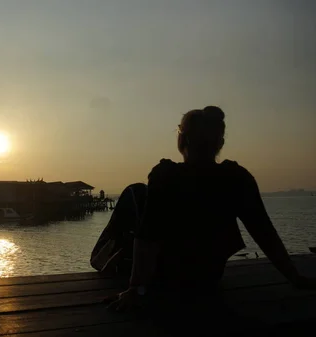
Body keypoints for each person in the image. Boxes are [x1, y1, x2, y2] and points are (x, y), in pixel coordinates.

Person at [104, 106, 316, 312]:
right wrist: (294, 276)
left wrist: (136, 289)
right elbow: (264, 232)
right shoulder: (236, 177)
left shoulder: (165, 175)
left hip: (165, 277)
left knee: (136, 192)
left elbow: (149, 233)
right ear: (220, 142)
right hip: (208, 276)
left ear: (182, 139)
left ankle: (109, 258)